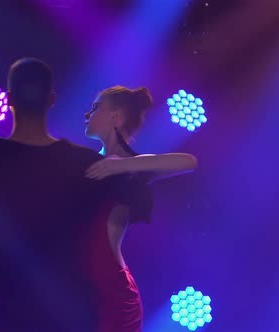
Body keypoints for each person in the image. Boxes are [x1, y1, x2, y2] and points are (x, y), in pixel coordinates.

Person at [0, 59, 132, 332]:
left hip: (13, 307)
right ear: (51, 99)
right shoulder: (83, 163)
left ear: (9, 100)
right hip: (73, 307)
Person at [82, 86, 198, 332]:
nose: (86, 115)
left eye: (94, 108)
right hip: (76, 281)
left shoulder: (135, 167)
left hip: (112, 286)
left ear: (116, 116)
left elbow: (189, 161)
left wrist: (121, 166)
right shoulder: (81, 163)